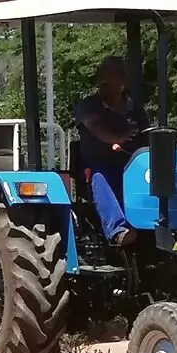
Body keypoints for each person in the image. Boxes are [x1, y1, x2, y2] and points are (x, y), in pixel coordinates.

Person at [74, 56, 150, 246]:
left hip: (133, 165)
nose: (105, 82)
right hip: (98, 165)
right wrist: (117, 139)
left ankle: (158, 226)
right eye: (103, 77)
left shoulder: (137, 111)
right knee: (100, 175)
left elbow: (147, 136)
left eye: (111, 76)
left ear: (123, 81)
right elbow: (95, 126)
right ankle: (117, 229)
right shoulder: (89, 106)